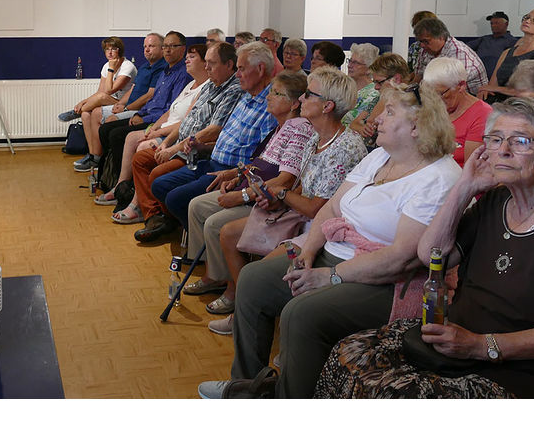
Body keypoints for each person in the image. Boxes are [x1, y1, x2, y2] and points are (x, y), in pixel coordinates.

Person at [197, 82, 461, 399]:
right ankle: (248, 386)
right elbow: (332, 207)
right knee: (254, 280)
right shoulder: (379, 157)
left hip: (386, 279)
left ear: (417, 127)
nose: (378, 119)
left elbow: (401, 257)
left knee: (301, 313)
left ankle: (289, 399)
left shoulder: (438, 177)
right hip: (332, 253)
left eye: (389, 112)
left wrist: (329, 275)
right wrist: (307, 252)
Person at [315, 98, 534, 399]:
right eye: (495, 140)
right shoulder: (495, 202)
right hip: (456, 347)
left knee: (393, 397)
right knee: (350, 356)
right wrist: (464, 187)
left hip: (523, 372)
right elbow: (432, 256)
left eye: (520, 141)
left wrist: (482, 345)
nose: (504, 151)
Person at [198, 68, 368, 331]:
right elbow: (299, 186)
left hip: (322, 231)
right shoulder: (315, 136)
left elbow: (316, 210)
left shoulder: (344, 147)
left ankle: (249, 318)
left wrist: (280, 194)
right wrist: (277, 200)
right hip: (299, 216)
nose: (301, 99)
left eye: (309, 94)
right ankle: (243, 309)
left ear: (327, 106)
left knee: (255, 276)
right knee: (229, 234)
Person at [180, 72, 313, 309]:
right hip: (252, 187)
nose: (268, 97)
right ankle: (214, 273)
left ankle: (235, 291)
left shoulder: (299, 129)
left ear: (294, 103)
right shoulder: (281, 126)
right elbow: (261, 162)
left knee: (214, 223)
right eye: (271, 91)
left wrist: (241, 195)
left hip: (266, 200)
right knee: (197, 205)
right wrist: (236, 175)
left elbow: (284, 179)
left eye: (276, 93)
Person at [138, 42, 279, 242]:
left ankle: (199, 242)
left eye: (241, 69)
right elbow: (221, 137)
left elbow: (262, 158)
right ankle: (193, 235)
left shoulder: (269, 106)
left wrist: (235, 174)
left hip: (230, 170)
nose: (238, 75)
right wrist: (202, 146)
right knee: (160, 184)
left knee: (174, 196)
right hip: (210, 158)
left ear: (260, 69)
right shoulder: (246, 97)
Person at [121, 42, 243, 229]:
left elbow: (215, 129)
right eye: (206, 62)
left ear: (229, 65)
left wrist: (174, 149)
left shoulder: (233, 90)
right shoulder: (210, 84)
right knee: (140, 159)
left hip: (197, 151)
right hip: (180, 143)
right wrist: (168, 142)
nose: (207, 67)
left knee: (157, 175)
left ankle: (169, 220)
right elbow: (187, 119)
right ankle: (153, 215)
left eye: (212, 63)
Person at [96, 44, 208, 210]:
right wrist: (152, 128)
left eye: (192, 57)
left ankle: (137, 203)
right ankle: (120, 187)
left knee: (139, 144)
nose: (187, 60)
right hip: (161, 124)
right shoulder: (189, 84)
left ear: (205, 63)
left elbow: (186, 121)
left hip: (175, 134)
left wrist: (156, 130)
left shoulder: (204, 87)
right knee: (128, 136)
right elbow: (170, 111)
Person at [77, 31, 191, 173]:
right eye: (145, 46)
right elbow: (139, 92)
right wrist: (130, 109)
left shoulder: (176, 72)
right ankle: (100, 162)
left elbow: (162, 105)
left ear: (182, 49)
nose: (167, 50)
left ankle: (117, 177)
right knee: (95, 119)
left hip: (154, 118)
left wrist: (131, 110)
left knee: (112, 129)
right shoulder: (158, 70)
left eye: (172, 46)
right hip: (143, 112)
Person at [423, 58, 492, 166]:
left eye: (440, 93)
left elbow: (471, 169)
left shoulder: (482, 115)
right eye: (431, 94)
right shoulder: (433, 106)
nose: (435, 100)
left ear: (461, 86)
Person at [477, 9, 534, 103]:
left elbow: (531, 92)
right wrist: (485, 90)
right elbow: (492, 85)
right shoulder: (507, 52)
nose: (527, 21)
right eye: (527, 17)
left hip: (523, 105)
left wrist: (497, 89)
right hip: (499, 102)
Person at [58, 36, 136, 125]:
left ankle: (76, 113)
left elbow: (109, 91)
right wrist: (83, 102)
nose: (110, 52)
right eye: (107, 49)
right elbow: (100, 91)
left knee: (102, 97)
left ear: (119, 50)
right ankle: (80, 113)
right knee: (85, 114)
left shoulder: (127, 66)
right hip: (111, 101)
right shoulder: (106, 66)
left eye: (113, 49)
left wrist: (111, 68)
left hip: (124, 103)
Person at [412, 17, 488, 95]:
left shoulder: (458, 52)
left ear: (441, 37)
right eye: (420, 41)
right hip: (443, 92)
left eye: (426, 41)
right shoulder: (425, 50)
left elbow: (453, 88)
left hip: (470, 95)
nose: (422, 45)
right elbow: (419, 76)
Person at [351, 52, 412, 148]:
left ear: (396, 79)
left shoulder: (410, 104)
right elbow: (353, 123)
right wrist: (363, 128)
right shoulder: (379, 98)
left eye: (379, 82)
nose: (376, 87)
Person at [468, 11, 518, 78]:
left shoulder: (513, 42)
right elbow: (465, 48)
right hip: (476, 74)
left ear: (506, 24)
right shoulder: (484, 39)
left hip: (496, 77)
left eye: (497, 23)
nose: (493, 26)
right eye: (491, 23)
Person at [341, 43, 380, 127]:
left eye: (355, 63)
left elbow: (358, 123)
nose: (349, 65)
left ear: (369, 68)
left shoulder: (373, 94)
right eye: (350, 61)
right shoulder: (345, 88)